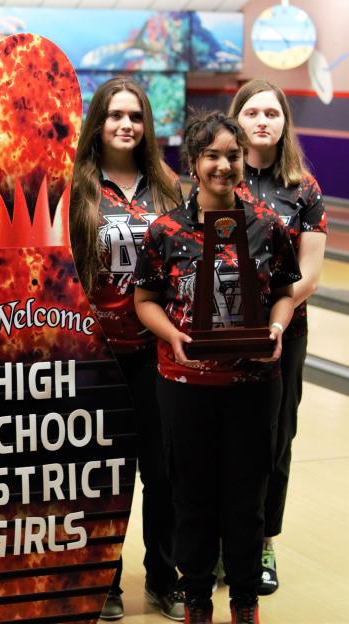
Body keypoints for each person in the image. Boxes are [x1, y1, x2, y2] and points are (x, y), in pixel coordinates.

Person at [133, 111, 300, 624]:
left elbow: (285, 295)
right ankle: (198, 599)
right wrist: (173, 336)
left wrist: (274, 329)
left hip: (253, 386)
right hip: (185, 385)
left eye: (233, 155)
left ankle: (245, 600)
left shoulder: (267, 228)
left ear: (242, 160)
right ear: (194, 162)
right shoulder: (165, 232)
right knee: (192, 495)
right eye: (212, 156)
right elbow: (145, 300)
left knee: (246, 497)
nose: (224, 165)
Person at [69, 76, 184, 622]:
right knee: (104, 473)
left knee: (161, 473)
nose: (126, 125)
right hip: (95, 355)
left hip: (154, 353)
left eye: (135, 116)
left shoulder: (165, 186)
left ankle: (164, 578)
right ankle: (105, 581)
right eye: (116, 115)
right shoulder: (78, 189)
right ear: (99, 121)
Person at [228, 79, 328, 595]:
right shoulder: (220, 177)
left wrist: (276, 318)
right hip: (222, 329)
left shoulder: (303, 188)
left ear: (285, 122)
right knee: (225, 437)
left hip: (285, 332)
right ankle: (226, 542)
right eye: (252, 112)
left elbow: (310, 273)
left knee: (275, 438)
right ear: (237, 119)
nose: (262, 120)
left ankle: (264, 541)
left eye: (272, 112)